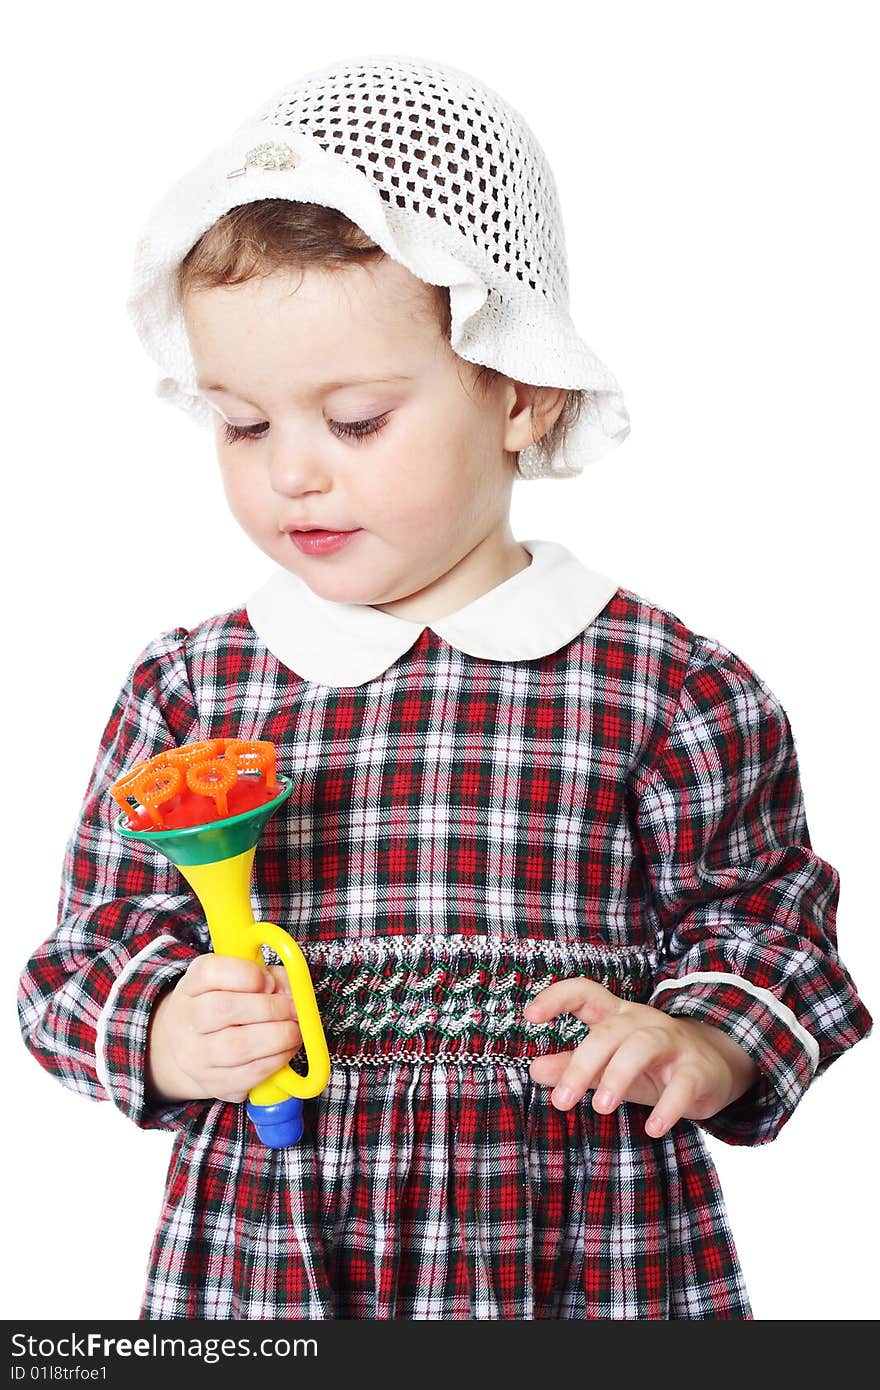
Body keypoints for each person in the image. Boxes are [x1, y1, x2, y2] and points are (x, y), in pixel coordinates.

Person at [17, 53, 871, 1321]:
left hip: (580, 1255)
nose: (291, 472)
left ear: (520, 390)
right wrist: (157, 1027)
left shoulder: (666, 687)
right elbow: (78, 962)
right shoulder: (191, 688)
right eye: (244, 424)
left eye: (353, 420)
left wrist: (702, 1038)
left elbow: (771, 932)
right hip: (271, 1262)